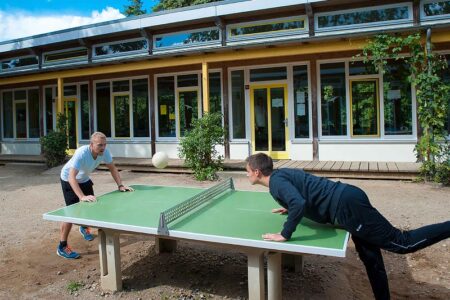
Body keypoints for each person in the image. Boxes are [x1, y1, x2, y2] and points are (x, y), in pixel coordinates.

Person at [245, 153, 450, 300]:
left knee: (402, 243)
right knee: (371, 258)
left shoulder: (276, 184)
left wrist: (285, 233)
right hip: (347, 198)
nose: (246, 175)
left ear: (256, 171)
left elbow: (299, 202)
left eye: (247, 172)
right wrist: (290, 208)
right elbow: (303, 191)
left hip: (347, 207)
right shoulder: (280, 176)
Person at [57, 132, 134, 259]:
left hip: (84, 179)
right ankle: (62, 246)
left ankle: (84, 227)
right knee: (71, 214)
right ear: (91, 145)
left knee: (91, 206)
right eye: (99, 145)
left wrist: (120, 185)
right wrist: (81, 197)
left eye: (104, 145)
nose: (103, 148)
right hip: (68, 179)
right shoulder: (81, 153)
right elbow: (71, 177)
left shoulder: (105, 152)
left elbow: (113, 168)